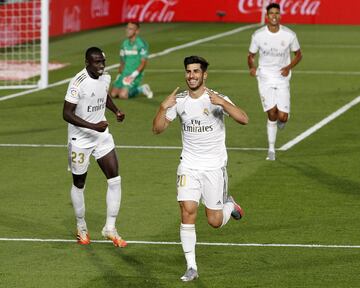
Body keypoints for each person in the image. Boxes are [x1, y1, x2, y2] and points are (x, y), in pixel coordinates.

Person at [153, 56, 248, 282]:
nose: (191, 76)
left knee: (214, 221)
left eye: (196, 72)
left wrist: (223, 104)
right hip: (189, 166)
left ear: (204, 75)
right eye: (188, 71)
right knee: (187, 210)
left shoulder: (216, 99)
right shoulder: (180, 101)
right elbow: (157, 129)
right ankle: (191, 267)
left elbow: (244, 119)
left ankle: (229, 204)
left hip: (214, 168)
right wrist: (162, 107)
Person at [63, 47, 127, 248]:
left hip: (101, 136)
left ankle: (110, 227)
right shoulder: (77, 83)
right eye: (97, 62)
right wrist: (93, 126)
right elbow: (66, 113)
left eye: (103, 62)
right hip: (80, 140)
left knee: (115, 179)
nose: (101, 66)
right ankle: (81, 226)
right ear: (87, 62)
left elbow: (103, 95)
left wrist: (115, 110)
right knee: (79, 183)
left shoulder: (105, 78)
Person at [248, 2, 302, 160]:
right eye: (271, 13)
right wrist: (252, 67)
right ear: (267, 15)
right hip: (264, 77)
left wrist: (288, 67)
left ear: (280, 15)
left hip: (282, 77)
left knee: (282, 117)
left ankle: (283, 120)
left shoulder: (289, 34)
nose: (274, 16)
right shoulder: (258, 35)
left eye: (277, 13)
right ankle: (271, 150)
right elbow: (250, 56)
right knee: (271, 114)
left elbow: (299, 54)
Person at [111, 22, 153, 99]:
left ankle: (141, 89)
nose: (127, 30)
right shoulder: (124, 44)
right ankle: (125, 87)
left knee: (123, 95)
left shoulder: (141, 44)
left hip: (135, 74)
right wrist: (119, 74)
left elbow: (143, 62)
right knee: (113, 94)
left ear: (136, 31)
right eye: (127, 28)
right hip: (124, 73)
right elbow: (122, 61)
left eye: (130, 29)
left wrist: (133, 75)